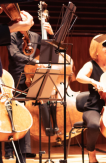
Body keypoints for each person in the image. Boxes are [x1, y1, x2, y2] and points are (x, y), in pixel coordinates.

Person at [3, 19, 54, 159]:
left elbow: (49, 53)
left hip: (31, 78)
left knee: (27, 113)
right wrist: (35, 61)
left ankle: (24, 150)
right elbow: (15, 55)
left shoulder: (35, 36)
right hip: (16, 78)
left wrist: (50, 34)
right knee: (13, 113)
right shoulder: (12, 35)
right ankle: (9, 150)